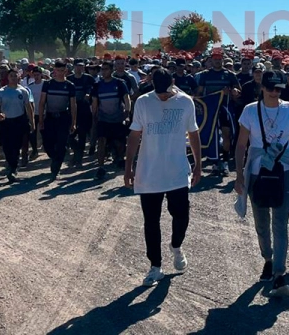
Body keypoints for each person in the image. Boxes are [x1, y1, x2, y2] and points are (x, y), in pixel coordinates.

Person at [233, 71, 289, 298]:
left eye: (279, 89)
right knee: (261, 223)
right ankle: (268, 257)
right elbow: (241, 145)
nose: (275, 93)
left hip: (283, 172)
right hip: (258, 173)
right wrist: (239, 175)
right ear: (262, 88)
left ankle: (279, 273)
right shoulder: (249, 111)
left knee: (280, 224)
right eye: (272, 88)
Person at [125, 70, 203, 287]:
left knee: (182, 215)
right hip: (149, 172)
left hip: (177, 171)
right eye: (159, 92)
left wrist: (198, 164)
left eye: (166, 92)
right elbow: (134, 135)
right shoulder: (143, 102)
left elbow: (194, 133)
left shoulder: (185, 102)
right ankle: (155, 266)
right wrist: (128, 166)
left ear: (173, 83)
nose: (162, 97)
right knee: (151, 222)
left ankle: (176, 246)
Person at [196, 50, 241, 176]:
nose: (217, 61)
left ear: (222, 60)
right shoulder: (205, 75)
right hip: (210, 110)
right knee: (212, 136)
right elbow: (199, 92)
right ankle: (215, 163)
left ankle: (225, 161)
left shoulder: (229, 74)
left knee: (227, 135)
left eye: (219, 59)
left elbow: (238, 90)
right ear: (211, 60)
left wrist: (234, 91)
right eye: (215, 59)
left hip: (225, 108)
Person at [91, 61, 132, 180]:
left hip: (118, 118)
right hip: (103, 119)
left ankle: (119, 158)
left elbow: (126, 98)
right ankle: (100, 167)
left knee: (119, 143)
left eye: (106, 69)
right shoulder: (97, 85)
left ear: (111, 70)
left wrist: (127, 113)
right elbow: (94, 102)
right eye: (102, 69)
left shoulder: (119, 83)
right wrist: (94, 117)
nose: (104, 72)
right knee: (101, 141)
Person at [0, 69, 34, 184]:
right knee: (7, 146)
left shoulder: (23, 91)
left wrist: (32, 122)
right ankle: (10, 163)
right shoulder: (2, 91)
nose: (13, 78)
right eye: (11, 76)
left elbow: (28, 107)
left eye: (15, 76)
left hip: (19, 121)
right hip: (6, 122)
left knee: (16, 146)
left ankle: (13, 168)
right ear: (8, 77)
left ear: (19, 77)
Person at [39, 60, 78, 178]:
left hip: (63, 117)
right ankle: (54, 157)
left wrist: (73, 122)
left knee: (61, 143)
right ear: (54, 70)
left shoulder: (70, 85)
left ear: (66, 70)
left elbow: (73, 105)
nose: (60, 73)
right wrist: (41, 119)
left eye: (63, 70)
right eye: (58, 70)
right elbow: (42, 103)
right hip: (50, 117)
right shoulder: (48, 84)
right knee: (47, 143)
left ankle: (56, 166)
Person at [68, 60, 95, 167]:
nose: (80, 68)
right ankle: (77, 152)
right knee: (69, 135)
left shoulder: (89, 78)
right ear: (74, 67)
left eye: (82, 66)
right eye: (78, 66)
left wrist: (89, 95)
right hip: (71, 109)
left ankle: (78, 158)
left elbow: (95, 90)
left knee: (82, 134)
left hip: (84, 110)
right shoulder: (69, 79)